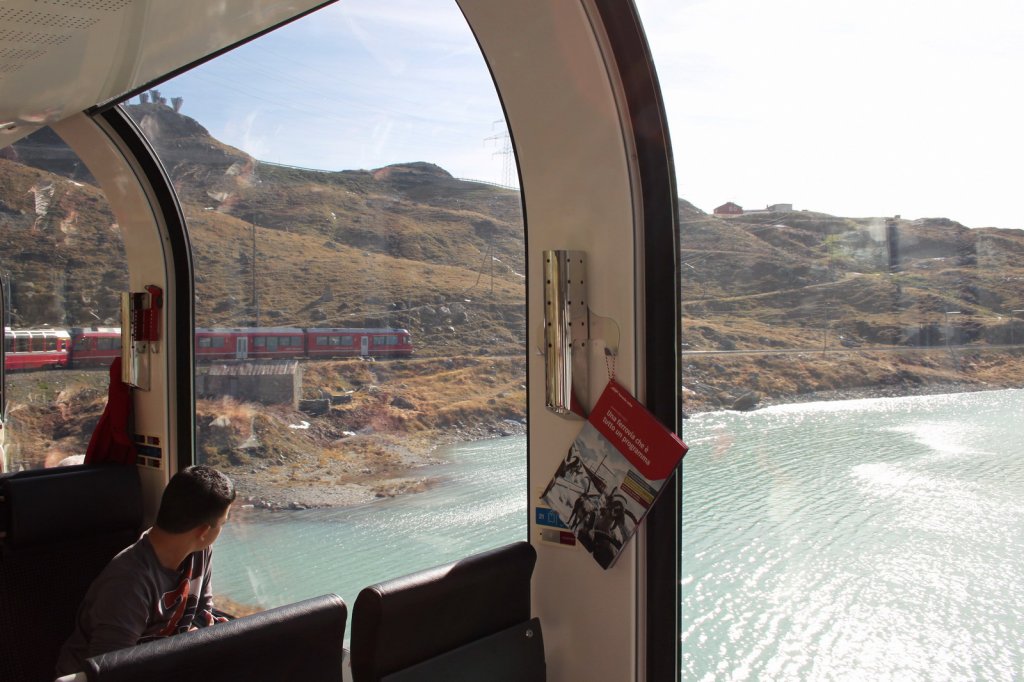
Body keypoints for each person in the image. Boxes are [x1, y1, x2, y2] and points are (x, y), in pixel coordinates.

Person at [55, 465, 236, 675]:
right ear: (203, 531)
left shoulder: (200, 552)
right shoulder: (127, 583)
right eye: (222, 523)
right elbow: (112, 671)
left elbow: (201, 612)